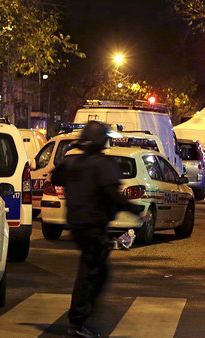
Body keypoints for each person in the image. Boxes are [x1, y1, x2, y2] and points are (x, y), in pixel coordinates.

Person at [50, 121, 143, 338]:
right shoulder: (102, 165)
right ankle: (78, 322)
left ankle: (81, 318)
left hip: (77, 225)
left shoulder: (72, 162)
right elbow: (113, 195)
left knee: (93, 271)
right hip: (93, 226)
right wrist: (133, 209)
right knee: (91, 274)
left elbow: (56, 176)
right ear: (101, 141)